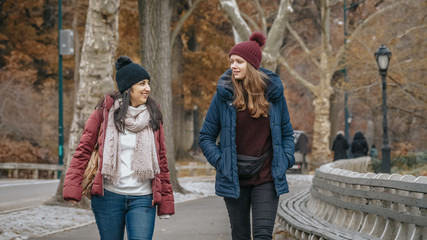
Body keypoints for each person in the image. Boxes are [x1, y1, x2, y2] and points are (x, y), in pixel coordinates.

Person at [63, 56, 174, 240]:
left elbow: (161, 158)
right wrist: (73, 188)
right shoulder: (104, 113)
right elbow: (83, 150)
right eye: (142, 84)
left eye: (148, 83)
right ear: (128, 88)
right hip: (108, 197)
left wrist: (167, 201)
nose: (148, 88)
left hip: (143, 197)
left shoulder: (153, 116)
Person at [198, 32, 295, 240]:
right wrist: (221, 161)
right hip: (233, 177)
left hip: (266, 176)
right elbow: (205, 137)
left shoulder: (274, 95)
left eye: (239, 62)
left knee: (262, 235)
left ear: (251, 65)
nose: (233, 66)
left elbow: (287, 134)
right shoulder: (223, 95)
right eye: (231, 61)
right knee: (240, 234)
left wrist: (285, 159)